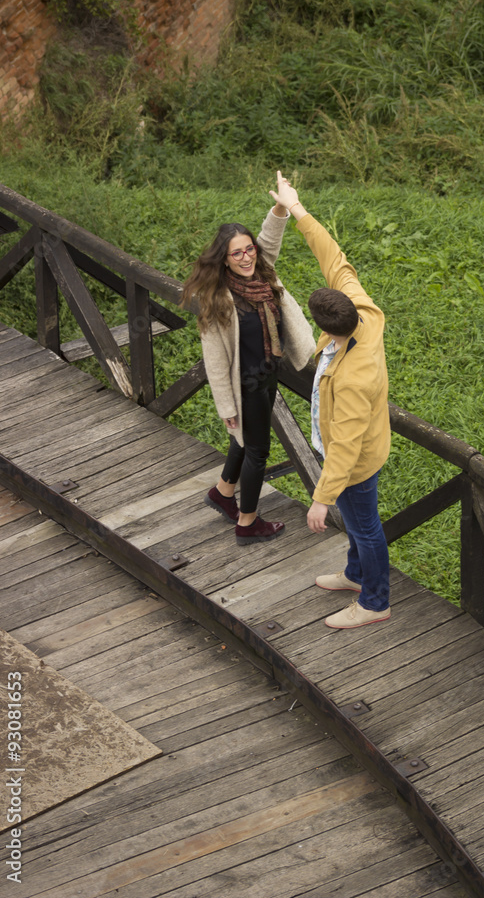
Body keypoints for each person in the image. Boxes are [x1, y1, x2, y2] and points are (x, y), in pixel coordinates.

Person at [269, 173, 392, 628]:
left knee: (365, 527)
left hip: (355, 461)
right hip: (351, 450)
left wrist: (322, 499)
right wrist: (295, 208)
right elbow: (334, 259)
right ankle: (357, 575)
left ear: (326, 326)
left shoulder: (354, 381)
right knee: (362, 524)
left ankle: (375, 603)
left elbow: (345, 444)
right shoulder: (364, 312)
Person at [182, 172, 315, 545]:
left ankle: (223, 492)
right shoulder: (219, 300)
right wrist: (226, 405)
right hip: (246, 384)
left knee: (245, 440)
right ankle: (248, 522)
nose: (246, 257)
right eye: (236, 253)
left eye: (249, 249)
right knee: (257, 450)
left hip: (268, 373)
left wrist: (281, 205)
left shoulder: (263, 273)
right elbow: (215, 361)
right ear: (224, 261)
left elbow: (270, 237)